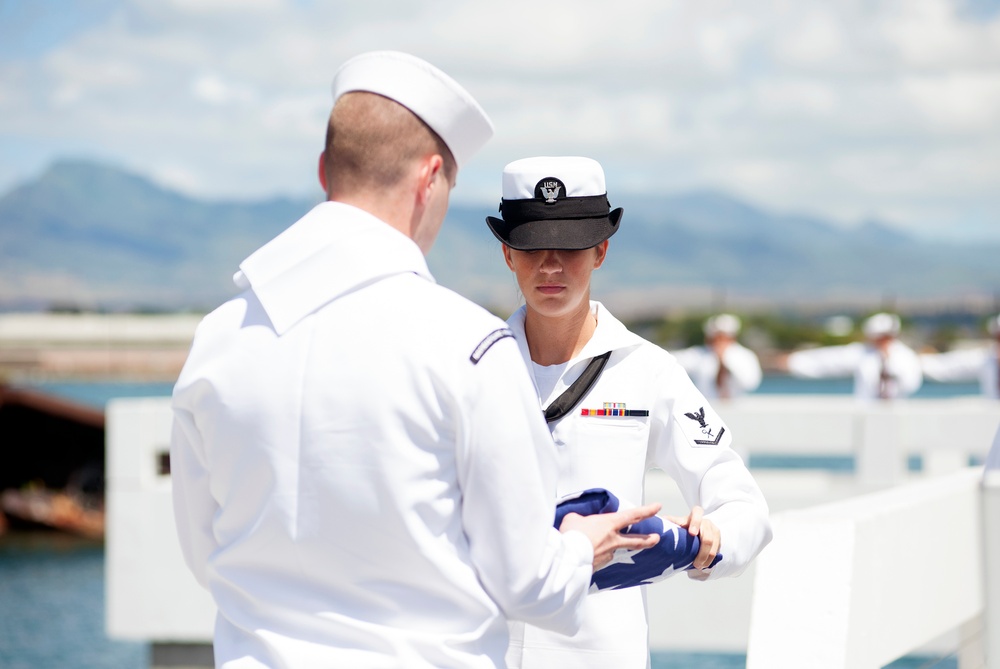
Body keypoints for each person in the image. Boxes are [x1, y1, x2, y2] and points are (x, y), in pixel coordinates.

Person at [170, 52, 662, 669]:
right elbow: (528, 582)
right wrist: (578, 546)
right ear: (430, 180)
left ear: (326, 170)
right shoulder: (470, 347)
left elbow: (203, 552)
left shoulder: (218, 339)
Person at [484, 155, 773, 668]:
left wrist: (710, 541)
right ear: (507, 253)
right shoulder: (471, 366)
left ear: (601, 251)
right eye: (532, 247)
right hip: (483, 647)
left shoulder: (647, 370)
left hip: (599, 650)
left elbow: (741, 501)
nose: (550, 266)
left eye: (569, 248)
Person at [779, 312, 923, 400]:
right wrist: (794, 362)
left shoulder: (905, 357)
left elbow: (911, 384)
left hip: (896, 414)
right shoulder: (863, 353)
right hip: (866, 413)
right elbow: (830, 360)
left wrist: (890, 366)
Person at [672, 313, 763, 399]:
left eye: (723, 337)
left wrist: (724, 360)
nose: (718, 341)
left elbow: (750, 383)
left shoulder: (745, 356)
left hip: (737, 409)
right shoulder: (698, 354)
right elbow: (672, 359)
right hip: (705, 408)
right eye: (714, 337)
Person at [919, 314, 1000, 399]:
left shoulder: (986, 360)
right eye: (998, 338)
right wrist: (916, 361)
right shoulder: (986, 359)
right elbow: (949, 366)